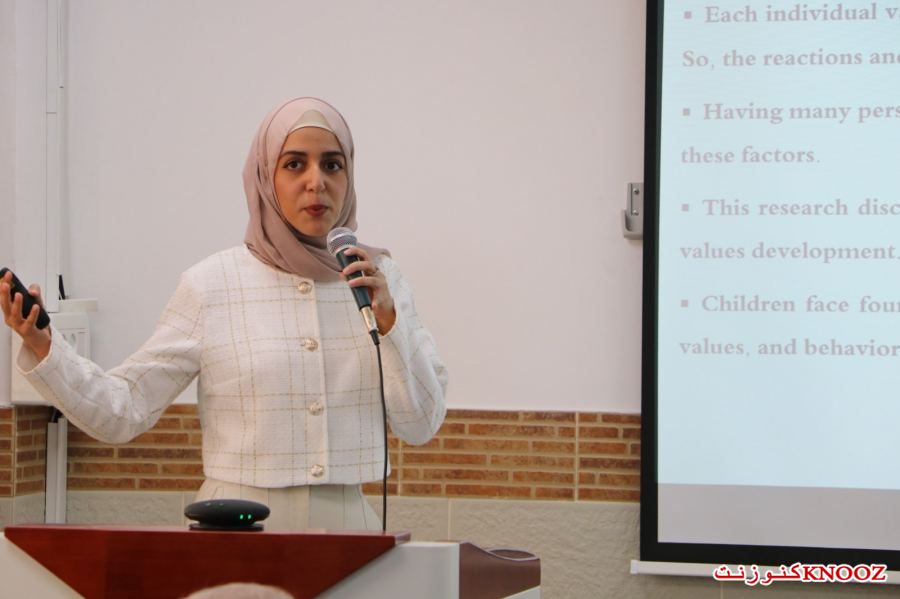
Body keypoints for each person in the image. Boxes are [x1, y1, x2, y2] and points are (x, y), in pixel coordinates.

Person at [0, 97, 448, 531]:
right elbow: (124, 410)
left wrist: (390, 324)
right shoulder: (213, 284)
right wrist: (45, 346)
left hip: (350, 530)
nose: (316, 182)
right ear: (264, 176)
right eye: (294, 164)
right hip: (235, 527)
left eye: (332, 164)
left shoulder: (378, 280)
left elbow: (421, 425)